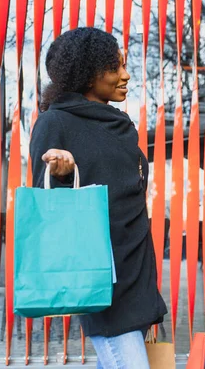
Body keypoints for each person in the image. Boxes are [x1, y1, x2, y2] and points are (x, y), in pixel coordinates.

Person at [30, 27, 167, 369]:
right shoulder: (55, 122)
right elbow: (45, 205)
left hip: (136, 272)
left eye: (124, 65)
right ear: (88, 74)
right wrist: (62, 175)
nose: (126, 75)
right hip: (99, 273)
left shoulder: (120, 125)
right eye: (115, 67)